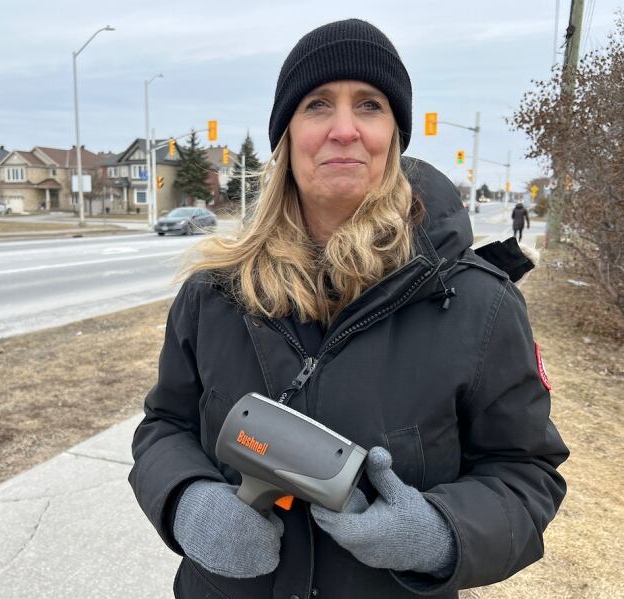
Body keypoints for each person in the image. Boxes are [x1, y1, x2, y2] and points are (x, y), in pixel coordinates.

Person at [129, 19, 568, 599]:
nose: (344, 130)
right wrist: (186, 502)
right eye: (317, 105)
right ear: (287, 137)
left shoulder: (477, 304)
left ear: (395, 135)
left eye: (369, 104)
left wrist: (440, 535)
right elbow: (165, 427)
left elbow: (525, 472)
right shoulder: (215, 294)